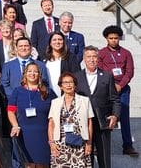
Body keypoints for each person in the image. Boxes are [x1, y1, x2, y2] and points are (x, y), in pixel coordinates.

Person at [75, 46, 121, 168]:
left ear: (98, 58)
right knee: (86, 158)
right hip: (83, 123)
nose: (91, 59)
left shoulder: (107, 76)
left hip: (102, 122)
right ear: (84, 59)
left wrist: (115, 116)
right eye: (88, 57)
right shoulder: (76, 77)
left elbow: (115, 99)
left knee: (104, 158)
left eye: (94, 56)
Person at [98, 25, 139, 156]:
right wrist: (109, 85)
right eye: (111, 38)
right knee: (103, 116)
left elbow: (130, 72)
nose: (114, 40)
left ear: (119, 38)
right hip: (106, 88)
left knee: (124, 116)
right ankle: (100, 145)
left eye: (116, 38)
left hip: (123, 89)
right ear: (106, 38)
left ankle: (127, 145)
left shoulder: (126, 53)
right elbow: (99, 71)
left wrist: (121, 85)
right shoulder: (102, 53)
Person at [8, 62, 56, 167]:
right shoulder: (17, 91)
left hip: (44, 134)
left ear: (39, 74)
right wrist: (15, 125)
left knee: (42, 164)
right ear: (25, 74)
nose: (32, 74)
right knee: (28, 164)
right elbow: (11, 111)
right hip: (25, 134)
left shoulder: (48, 92)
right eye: (29, 71)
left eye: (35, 71)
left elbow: (56, 111)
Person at [48, 72, 93, 167]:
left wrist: (89, 143)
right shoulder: (55, 102)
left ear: (75, 85)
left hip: (80, 144)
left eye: (71, 82)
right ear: (61, 86)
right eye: (65, 82)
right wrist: (52, 143)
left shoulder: (85, 100)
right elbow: (51, 124)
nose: (68, 85)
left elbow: (89, 123)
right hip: (60, 144)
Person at [44, 32, 80, 97]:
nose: (57, 42)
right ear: (50, 43)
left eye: (60, 39)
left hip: (65, 96)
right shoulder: (45, 59)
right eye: (54, 40)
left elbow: (76, 77)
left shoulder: (71, 58)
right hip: (48, 96)